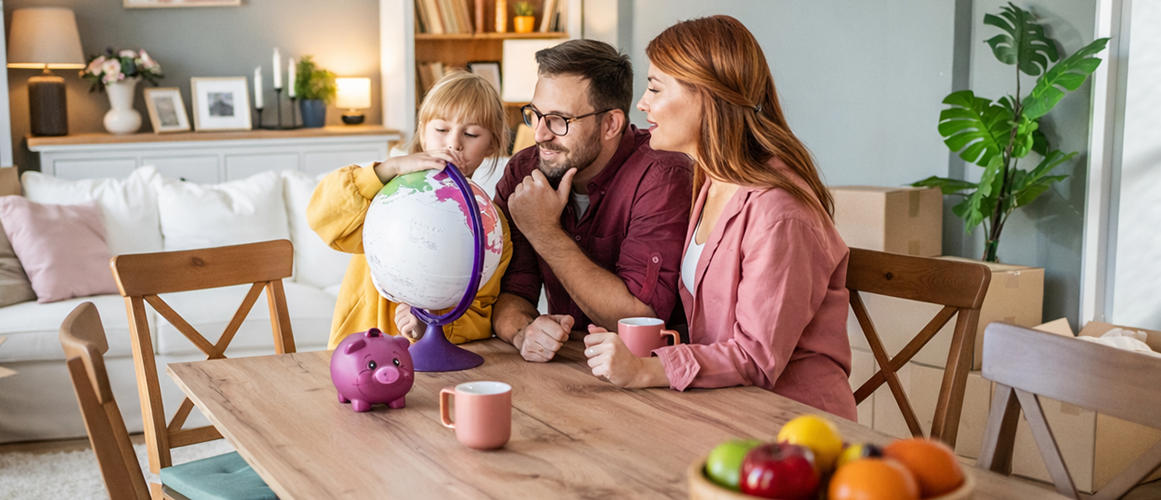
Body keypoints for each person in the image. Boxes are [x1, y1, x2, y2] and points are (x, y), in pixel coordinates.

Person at [581, 15, 857, 420]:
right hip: (724, 406)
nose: (642, 103)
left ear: (706, 96)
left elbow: (755, 357)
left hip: (793, 425)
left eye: (655, 88)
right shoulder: (712, 182)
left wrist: (646, 369)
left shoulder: (779, 211)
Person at [493, 39, 694, 363]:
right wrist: (523, 332)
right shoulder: (524, 170)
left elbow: (639, 319)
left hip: (653, 377)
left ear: (611, 124)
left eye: (559, 120)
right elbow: (507, 292)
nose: (541, 134)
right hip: (568, 371)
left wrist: (544, 232)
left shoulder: (662, 175)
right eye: (536, 114)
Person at [310, 71, 513, 349]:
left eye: (471, 133)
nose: (453, 143)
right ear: (423, 129)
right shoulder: (384, 193)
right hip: (359, 355)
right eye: (441, 130)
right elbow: (323, 215)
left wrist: (430, 323)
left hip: (432, 370)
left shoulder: (491, 225)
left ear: (492, 145)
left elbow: (480, 312)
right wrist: (390, 167)